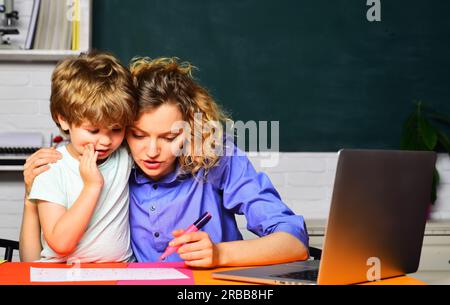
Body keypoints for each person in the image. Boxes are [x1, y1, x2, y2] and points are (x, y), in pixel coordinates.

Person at [21, 57, 309, 268]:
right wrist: (34, 194)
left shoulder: (218, 156)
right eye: (137, 135)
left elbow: (294, 242)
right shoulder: (111, 160)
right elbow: (39, 256)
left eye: (170, 136)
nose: (152, 151)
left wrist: (221, 254)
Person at [21, 52, 137, 263]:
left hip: (119, 273)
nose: (105, 141)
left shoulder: (123, 155)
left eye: (116, 129)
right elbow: (61, 244)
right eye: (93, 131)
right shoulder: (52, 167)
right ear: (63, 120)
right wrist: (92, 187)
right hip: (62, 275)